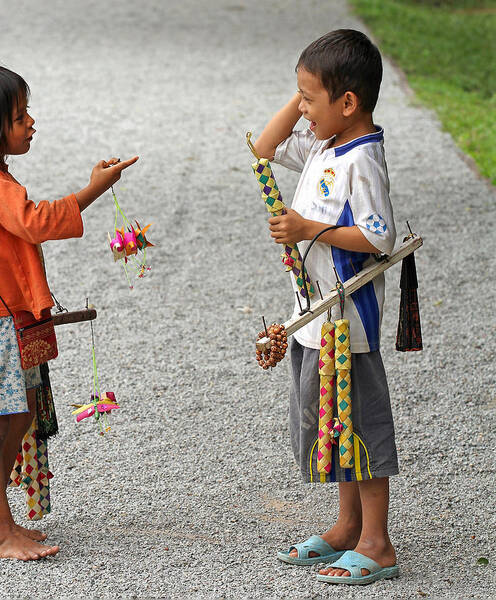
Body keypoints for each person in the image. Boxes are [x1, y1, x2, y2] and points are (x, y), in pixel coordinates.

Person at [0, 60, 138, 561]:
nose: (31, 123)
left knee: (20, 413)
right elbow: (36, 222)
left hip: (14, 312)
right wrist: (94, 189)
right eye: (20, 115)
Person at [254, 30, 400, 585]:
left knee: (359, 422)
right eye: (299, 98)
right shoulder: (323, 143)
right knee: (335, 423)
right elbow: (264, 148)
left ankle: (376, 541)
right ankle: (345, 527)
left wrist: (309, 228)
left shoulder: (361, 158)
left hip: (348, 320)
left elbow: (379, 236)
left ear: (348, 104)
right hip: (316, 316)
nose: (301, 111)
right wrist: (305, 93)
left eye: (310, 100)